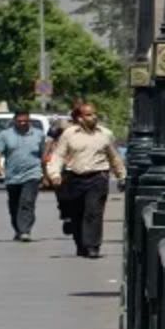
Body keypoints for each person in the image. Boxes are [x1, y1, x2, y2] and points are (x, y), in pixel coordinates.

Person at [47, 103, 127, 259]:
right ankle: (81, 244)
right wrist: (55, 174)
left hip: (98, 177)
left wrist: (121, 176)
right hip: (74, 178)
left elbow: (114, 157)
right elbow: (59, 155)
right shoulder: (69, 134)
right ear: (80, 118)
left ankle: (93, 246)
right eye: (89, 115)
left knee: (94, 212)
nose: (94, 117)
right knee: (77, 214)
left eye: (94, 114)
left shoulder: (105, 134)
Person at [0, 110, 46, 242]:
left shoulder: (38, 135)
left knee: (27, 201)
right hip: (12, 176)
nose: (22, 123)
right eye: (19, 121)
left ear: (29, 121)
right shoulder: (5, 135)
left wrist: (45, 173)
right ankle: (18, 229)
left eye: (25, 121)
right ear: (14, 121)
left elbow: (43, 155)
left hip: (32, 173)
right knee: (14, 204)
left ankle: (25, 230)